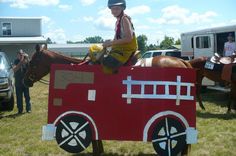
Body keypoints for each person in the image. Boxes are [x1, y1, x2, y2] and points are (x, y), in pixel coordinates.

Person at [100, 0, 138, 73]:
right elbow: (118, 38)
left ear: (122, 8)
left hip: (127, 50)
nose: (114, 10)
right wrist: (109, 42)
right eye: (113, 8)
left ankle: (112, 81)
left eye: (117, 8)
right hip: (121, 48)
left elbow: (129, 38)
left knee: (106, 61)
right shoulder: (118, 21)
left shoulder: (124, 19)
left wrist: (111, 43)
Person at [13, 49, 32, 114]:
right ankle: (20, 110)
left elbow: (30, 68)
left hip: (25, 82)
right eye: (20, 54)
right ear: (17, 55)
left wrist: (28, 59)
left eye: (22, 54)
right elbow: (14, 70)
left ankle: (28, 109)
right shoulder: (15, 61)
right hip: (18, 83)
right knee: (19, 97)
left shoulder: (26, 61)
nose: (21, 55)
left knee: (27, 96)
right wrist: (21, 61)